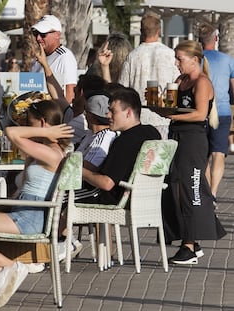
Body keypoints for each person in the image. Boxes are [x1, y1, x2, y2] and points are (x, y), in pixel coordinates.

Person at [0, 99, 73, 308]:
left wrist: (47, 134)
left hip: (29, 218)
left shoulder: (51, 153)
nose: (28, 128)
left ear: (42, 122)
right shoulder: (45, 150)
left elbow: (11, 132)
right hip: (23, 212)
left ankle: (9, 267)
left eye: (30, 123)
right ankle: (0, 272)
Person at [163, 40, 226, 265]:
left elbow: (200, 115)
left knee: (191, 189)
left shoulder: (202, 82)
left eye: (180, 58)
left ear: (194, 60)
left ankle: (189, 246)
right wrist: (159, 105)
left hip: (193, 140)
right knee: (175, 187)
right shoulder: (181, 81)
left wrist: (173, 116)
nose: (176, 62)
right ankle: (192, 241)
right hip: (177, 137)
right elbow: (172, 105)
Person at [81, 87, 161, 205]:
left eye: (113, 111)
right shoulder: (153, 133)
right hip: (146, 199)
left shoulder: (124, 141)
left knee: (62, 200)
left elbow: (107, 183)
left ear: (128, 113)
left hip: (118, 201)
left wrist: (77, 170)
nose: (108, 115)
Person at [118, 12, 180, 139]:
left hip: (138, 117)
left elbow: (121, 88)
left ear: (141, 31)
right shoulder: (170, 55)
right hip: (164, 117)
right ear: (159, 30)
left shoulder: (133, 56)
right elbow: (178, 83)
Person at [198, 23, 234, 207]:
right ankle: (212, 193)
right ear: (216, 39)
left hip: (201, 111)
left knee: (203, 154)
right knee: (218, 153)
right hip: (223, 112)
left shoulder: (196, 60)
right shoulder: (228, 60)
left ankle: (205, 193)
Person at [31, 15, 77, 104]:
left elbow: (70, 95)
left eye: (43, 34)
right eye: (36, 33)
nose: (38, 38)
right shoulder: (38, 58)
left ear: (57, 35)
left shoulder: (65, 57)